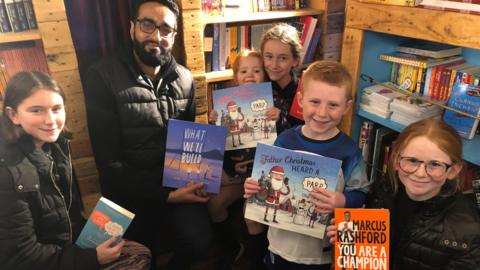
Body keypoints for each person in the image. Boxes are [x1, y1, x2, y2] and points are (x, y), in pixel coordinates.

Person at [83, 1, 212, 269]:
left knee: (200, 242)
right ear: (132, 28)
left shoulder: (186, 79)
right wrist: (166, 196)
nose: (156, 36)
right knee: (139, 255)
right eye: (147, 25)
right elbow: (108, 163)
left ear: (174, 35)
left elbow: (189, 145)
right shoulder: (101, 76)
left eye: (166, 29)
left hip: (175, 184)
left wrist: (201, 178)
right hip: (128, 193)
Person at [0, 72, 151, 270]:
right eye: (36, 110)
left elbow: (69, 217)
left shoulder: (55, 148)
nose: (51, 120)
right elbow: (20, 257)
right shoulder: (7, 172)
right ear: (13, 115)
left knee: (140, 253)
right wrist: (92, 258)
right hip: (39, 262)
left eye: (56, 109)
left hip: (63, 250)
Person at [244, 61, 370, 270]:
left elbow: (361, 192)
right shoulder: (284, 141)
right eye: (315, 102)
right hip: (278, 245)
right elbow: (264, 182)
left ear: (347, 107)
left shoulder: (349, 151)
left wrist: (343, 200)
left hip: (320, 254)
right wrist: (253, 186)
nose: (322, 112)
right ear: (300, 100)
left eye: (333, 105)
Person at [327, 118, 480, 269]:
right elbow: (366, 259)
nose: (420, 173)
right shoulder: (383, 191)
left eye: (435, 164)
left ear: (453, 170)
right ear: (395, 161)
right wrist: (347, 243)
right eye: (412, 160)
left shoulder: (468, 232)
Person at [207, 49, 267, 270]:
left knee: (251, 214)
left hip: (259, 177)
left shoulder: (271, 102)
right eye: (243, 71)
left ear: (265, 74)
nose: (250, 75)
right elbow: (217, 142)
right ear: (235, 76)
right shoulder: (226, 102)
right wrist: (214, 122)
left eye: (256, 70)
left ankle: (256, 260)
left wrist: (276, 117)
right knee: (214, 203)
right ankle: (231, 248)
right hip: (235, 175)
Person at [261, 23, 305, 132]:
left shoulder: (303, 92)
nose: (274, 65)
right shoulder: (257, 87)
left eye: (283, 58)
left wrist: (280, 119)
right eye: (269, 57)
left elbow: (302, 132)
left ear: (295, 61)